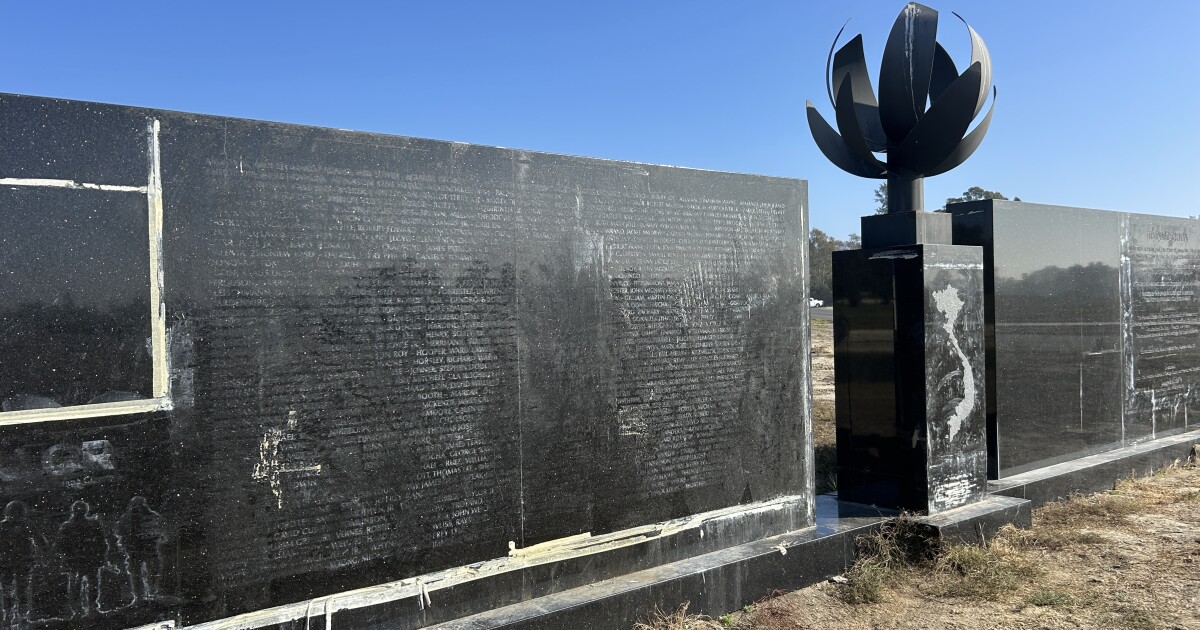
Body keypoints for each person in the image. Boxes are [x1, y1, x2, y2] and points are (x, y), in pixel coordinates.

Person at [55, 501, 107, 617]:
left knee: (79, 585)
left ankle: (82, 609)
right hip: (84, 559)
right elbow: (102, 543)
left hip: (80, 560)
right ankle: (87, 608)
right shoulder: (91, 524)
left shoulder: (68, 525)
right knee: (85, 584)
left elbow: (102, 543)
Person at [115, 497, 165, 603]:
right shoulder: (126, 518)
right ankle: (139, 596)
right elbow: (120, 533)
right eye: (135, 505)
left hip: (148, 549)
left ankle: (151, 592)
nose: (137, 508)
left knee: (152, 571)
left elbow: (160, 531)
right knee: (136, 573)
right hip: (135, 550)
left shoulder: (152, 516)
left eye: (139, 505)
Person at [0, 501, 42, 622]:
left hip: (7, 561)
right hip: (22, 561)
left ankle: (9, 612)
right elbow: (41, 541)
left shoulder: (3, 526)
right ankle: (20, 613)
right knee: (21, 587)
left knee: (8, 587)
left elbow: (40, 540)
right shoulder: (27, 525)